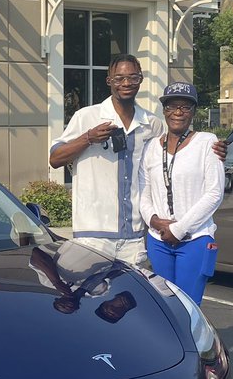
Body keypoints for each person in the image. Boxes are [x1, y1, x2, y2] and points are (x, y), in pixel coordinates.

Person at [49, 54, 162, 268]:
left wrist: (211, 150)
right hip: (93, 235)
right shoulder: (87, 117)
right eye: (119, 78)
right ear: (109, 81)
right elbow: (55, 159)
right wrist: (88, 138)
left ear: (141, 79)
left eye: (133, 77)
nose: (126, 83)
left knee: (130, 299)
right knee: (91, 299)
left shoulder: (152, 124)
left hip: (134, 237)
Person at [139, 81, 225, 305]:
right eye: (172, 106)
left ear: (194, 112)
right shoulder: (150, 148)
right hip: (158, 239)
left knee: (187, 306)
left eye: (185, 107)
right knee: (163, 306)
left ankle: (194, 342)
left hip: (194, 238)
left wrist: (178, 228)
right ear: (164, 110)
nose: (178, 112)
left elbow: (214, 193)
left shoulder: (207, 143)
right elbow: (143, 191)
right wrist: (155, 221)